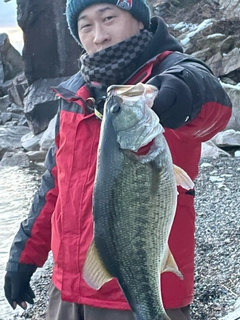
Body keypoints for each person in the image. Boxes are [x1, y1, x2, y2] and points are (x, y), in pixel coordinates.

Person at [4, 0, 232, 319]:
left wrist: (177, 93)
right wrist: (23, 255)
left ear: (140, 21)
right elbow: (53, 188)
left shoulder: (172, 73)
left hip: (146, 294)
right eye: (86, 26)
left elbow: (214, 107)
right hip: (68, 291)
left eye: (108, 18)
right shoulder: (73, 97)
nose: (99, 36)